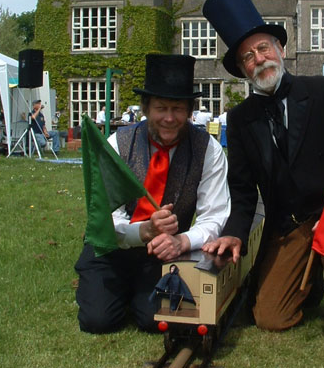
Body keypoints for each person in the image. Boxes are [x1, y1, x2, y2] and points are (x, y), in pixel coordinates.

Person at [201, 0, 324, 341]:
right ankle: (309, 282)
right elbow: (242, 188)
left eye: (263, 47)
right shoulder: (239, 120)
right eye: (248, 56)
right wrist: (234, 232)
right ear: (242, 69)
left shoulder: (323, 92)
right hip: (288, 224)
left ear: (280, 49)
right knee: (270, 318)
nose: (259, 59)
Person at [74, 54, 231, 333]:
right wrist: (143, 231)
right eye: (161, 108)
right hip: (112, 249)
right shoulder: (117, 144)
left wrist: (181, 241)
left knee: (155, 320)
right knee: (97, 321)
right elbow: (104, 216)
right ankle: (111, 292)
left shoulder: (208, 150)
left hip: (164, 255)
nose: (169, 118)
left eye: (178, 108)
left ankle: (137, 295)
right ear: (146, 108)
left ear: (190, 111)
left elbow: (214, 216)